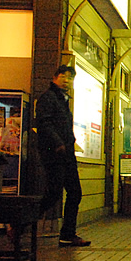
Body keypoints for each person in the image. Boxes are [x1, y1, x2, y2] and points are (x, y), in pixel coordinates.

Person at [36, 65, 91, 247]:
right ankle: (21, 222)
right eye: (63, 76)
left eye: (70, 78)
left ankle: (67, 234)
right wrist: (58, 143)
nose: (67, 80)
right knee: (53, 194)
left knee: (75, 193)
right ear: (54, 77)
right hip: (54, 154)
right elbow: (44, 124)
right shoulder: (48, 98)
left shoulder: (63, 100)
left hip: (66, 153)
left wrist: (70, 141)